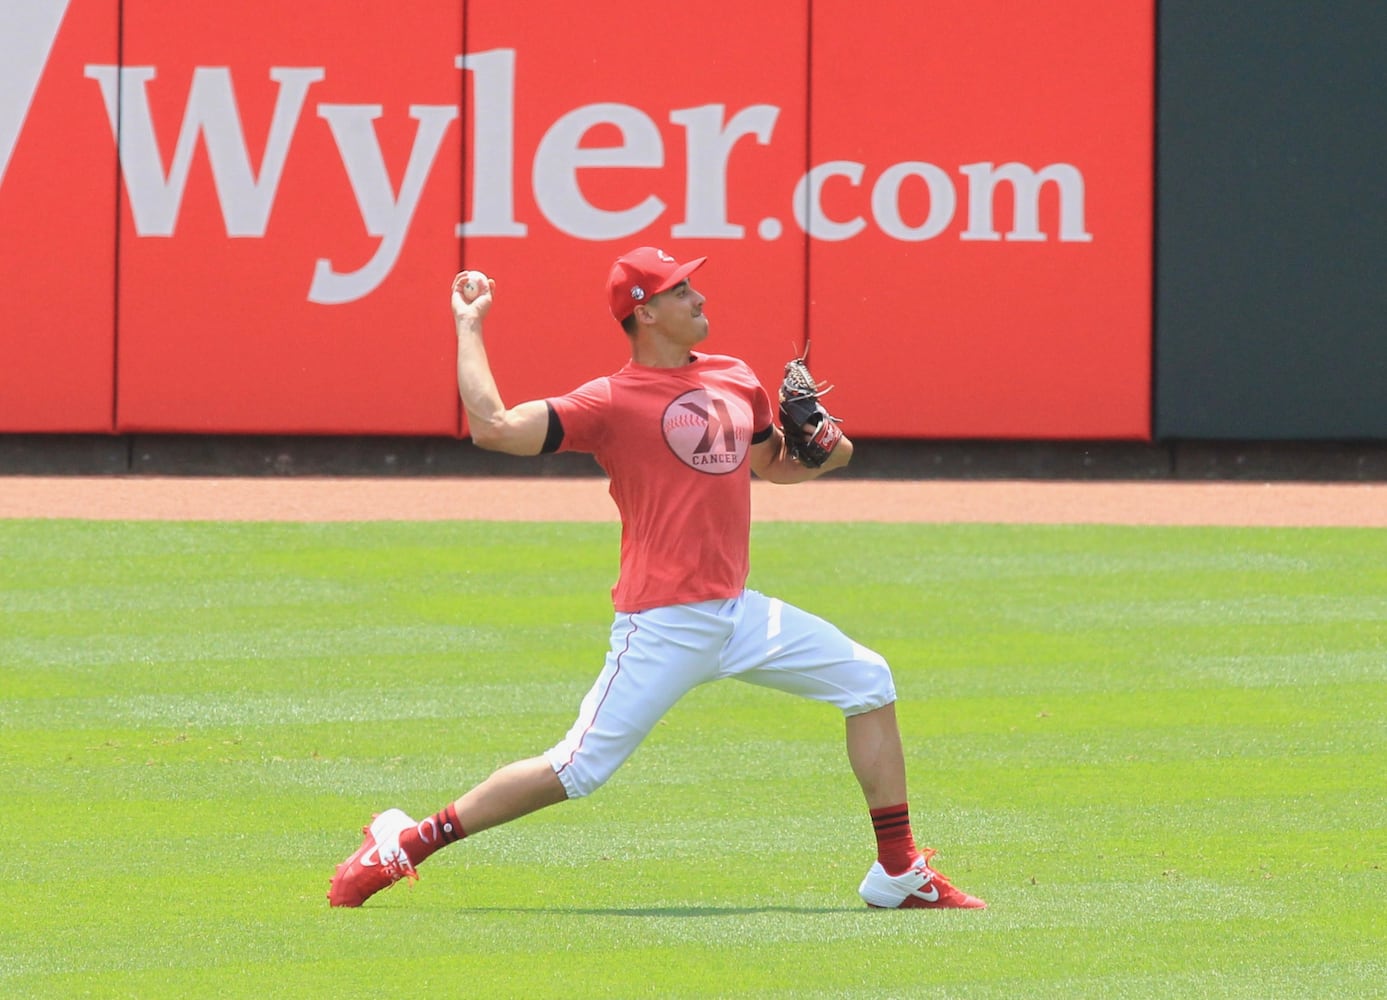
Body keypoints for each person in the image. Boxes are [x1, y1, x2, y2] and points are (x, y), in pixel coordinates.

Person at [327, 247, 985, 911]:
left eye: (692, 286)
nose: (698, 299)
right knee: (575, 769)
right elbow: (494, 428)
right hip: (664, 621)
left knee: (868, 680)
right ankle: (403, 843)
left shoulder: (734, 378)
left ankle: (898, 872)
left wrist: (830, 452)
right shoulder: (610, 401)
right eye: (679, 291)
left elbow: (777, 466)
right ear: (643, 312)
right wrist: (469, 325)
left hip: (737, 613)